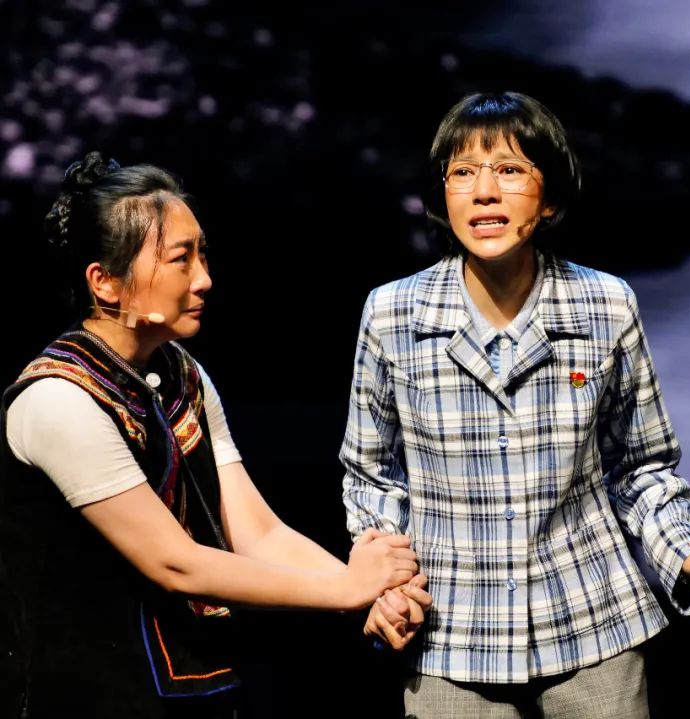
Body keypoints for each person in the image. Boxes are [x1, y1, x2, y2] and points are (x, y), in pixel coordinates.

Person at [339, 91, 690, 717]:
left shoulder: (605, 305)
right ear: (444, 194)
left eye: (509, 169)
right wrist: (384, 583)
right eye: (463, 172)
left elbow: (641, 468)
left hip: (592, 623)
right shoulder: (393, 314)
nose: (484, 192)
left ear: (548, 197)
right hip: (450, 635)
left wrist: (683, 553)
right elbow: (372, 475)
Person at [0, 152, 430, 719]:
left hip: (193, 691)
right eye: (181, 259)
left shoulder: (184, 375)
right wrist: (348, 589)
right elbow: (178, 564)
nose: (204, 278)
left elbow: (258, 533)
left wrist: (371, 595)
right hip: (85, 697)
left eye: (202, 254)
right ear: (106, 282)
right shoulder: (59, 398)